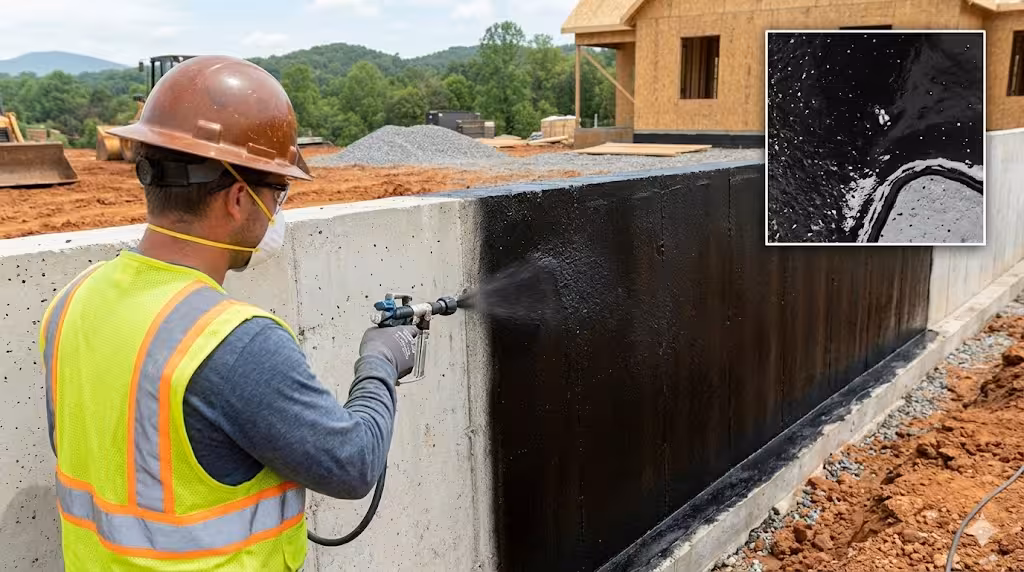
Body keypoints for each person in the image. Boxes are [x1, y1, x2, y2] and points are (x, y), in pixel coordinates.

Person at [37, 55, 420, 571]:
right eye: (278, 193)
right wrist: (380, 363)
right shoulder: (231, 341)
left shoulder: (73, 301)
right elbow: (352, 465)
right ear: (239, 198)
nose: (278, 211)